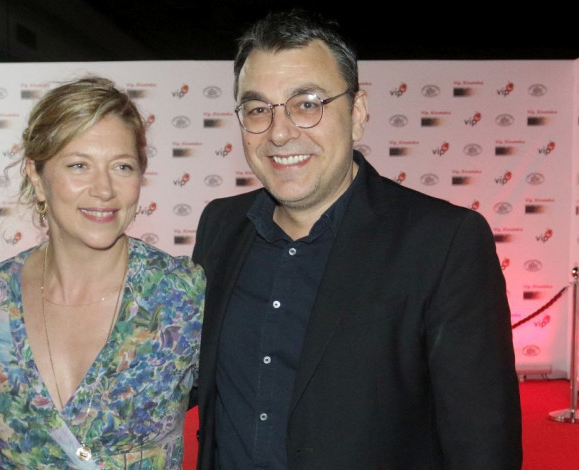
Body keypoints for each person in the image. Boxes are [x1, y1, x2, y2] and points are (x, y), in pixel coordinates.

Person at [191, 8, 522, 470]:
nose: (280, 132)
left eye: (307, 104)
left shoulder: (443, 243)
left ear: (358, 113)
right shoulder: (220, 226)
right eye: (258, 109)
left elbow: (482, 445)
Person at [0, 76, 205, 469]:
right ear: (37, 177)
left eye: (122, 166)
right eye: (78, 165)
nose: (104, 189)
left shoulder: (182, 295)